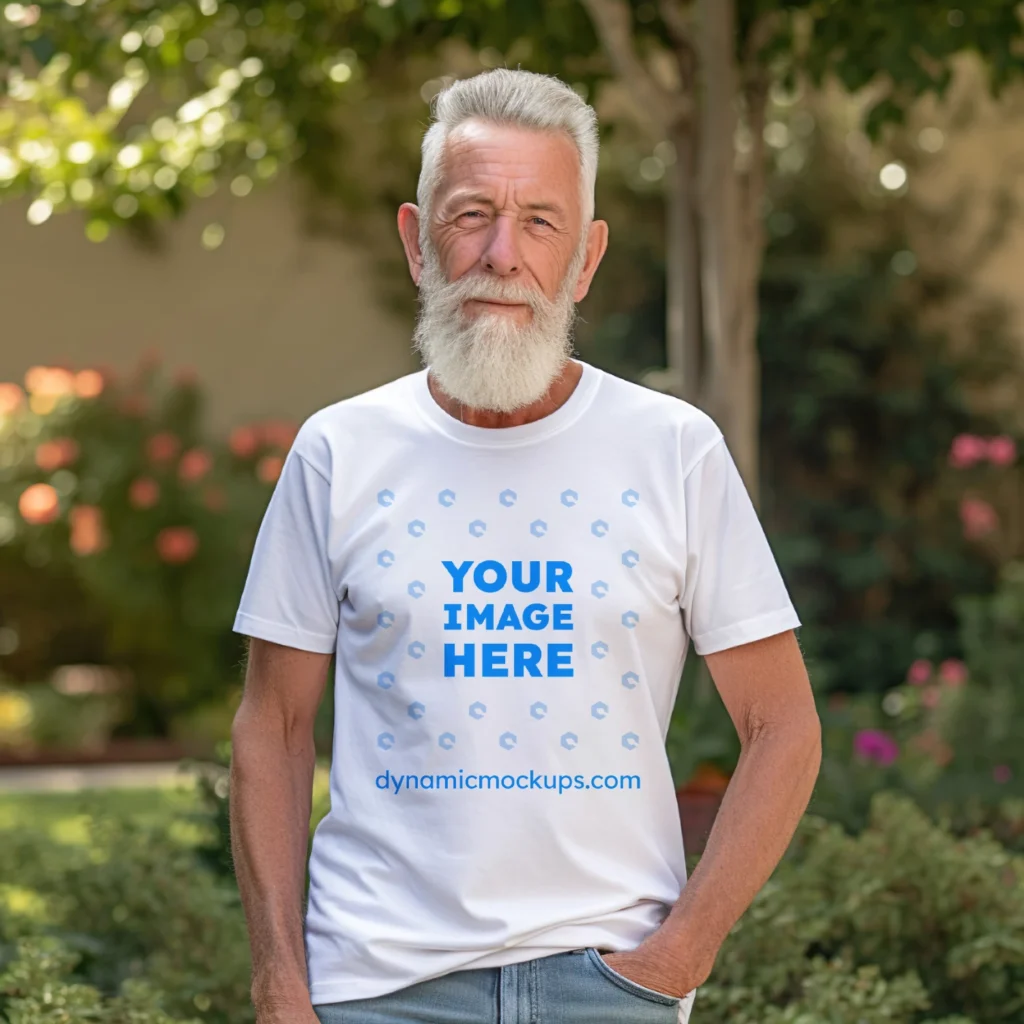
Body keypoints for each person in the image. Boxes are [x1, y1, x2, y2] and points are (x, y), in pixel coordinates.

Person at [229, 68, 821, 1024]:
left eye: (539, 222)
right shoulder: (338, 451)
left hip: (609, 987)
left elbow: (783, 727)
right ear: (418, 243)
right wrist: (281, 988)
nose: (501, 255)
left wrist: (677, 958)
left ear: (585, 261)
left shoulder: (673, 450)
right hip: (379, 989)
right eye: (471, 215)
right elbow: (274, 729)